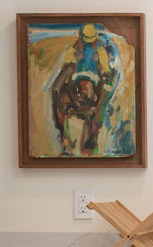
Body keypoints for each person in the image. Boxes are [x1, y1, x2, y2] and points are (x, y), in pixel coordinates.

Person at [50, 23, 117, 154]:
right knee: (57, 95)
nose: (87, 44)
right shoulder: (73, 50)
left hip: (94, 81)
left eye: (89, 41)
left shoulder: (100, 51)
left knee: (104, 99)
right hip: (76, 81)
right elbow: (68, 69)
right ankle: (62, 131)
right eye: (85, 41)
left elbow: (105, 74)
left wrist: (99, 100)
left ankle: (95, 130)